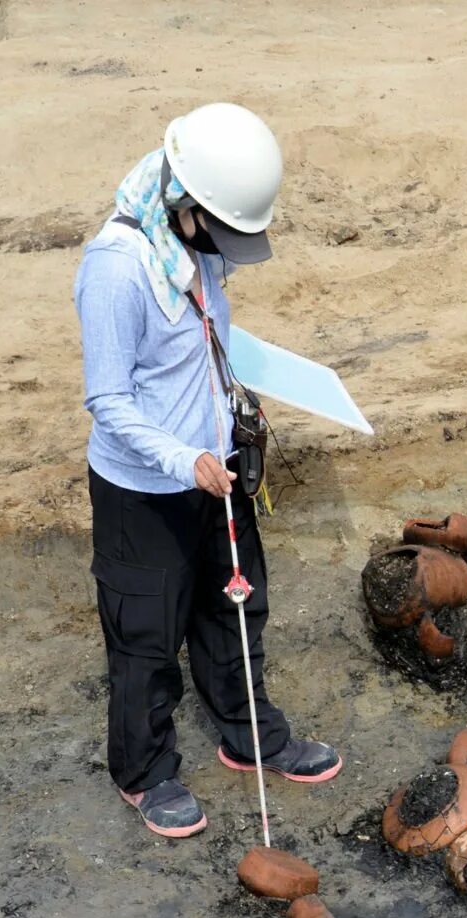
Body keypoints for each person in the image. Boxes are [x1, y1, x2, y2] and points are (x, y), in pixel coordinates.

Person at [75, 103, 340, 838]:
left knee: (235, 610)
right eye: (223, 231)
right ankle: (146, 771)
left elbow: (202, 341)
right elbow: (108, 398)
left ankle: (249, 734)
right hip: (145, 492)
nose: (228, 249)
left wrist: (225, 431)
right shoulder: (116, 270)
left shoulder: (193, 241)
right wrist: (181, 457)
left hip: (214, 476)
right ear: (185, 203)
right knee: (146, 640)